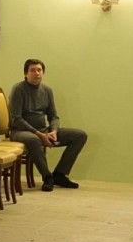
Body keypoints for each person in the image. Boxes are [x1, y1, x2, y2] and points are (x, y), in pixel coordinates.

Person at [8, 59, 89, 192]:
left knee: (80, 135)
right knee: (33, 139)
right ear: (25, 73)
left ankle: (59, 174)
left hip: (43, 130)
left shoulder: (47, 90)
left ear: (43, 73)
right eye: (32, 70)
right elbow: (16, 119)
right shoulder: (18, 89)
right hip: (20, 131)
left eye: (39, 70)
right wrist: (39, 134)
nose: (36, 73)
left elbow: (53, 116)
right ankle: (47, 177)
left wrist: (54, 131)